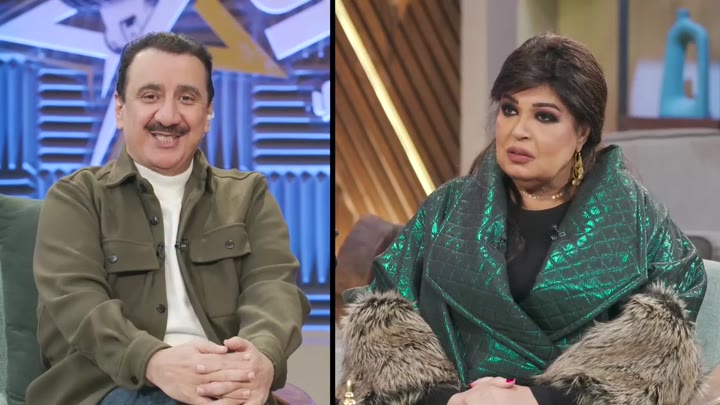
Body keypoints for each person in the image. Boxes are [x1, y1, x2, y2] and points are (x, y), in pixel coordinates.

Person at [336, 33, 707, 405]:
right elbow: (381, 322)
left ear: (582, 132)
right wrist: (450, 400)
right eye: (510, 110)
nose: (518, 131)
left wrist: (538, 399)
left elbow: (659, 353)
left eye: (544, 117)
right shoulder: (447, 207)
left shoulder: (637, 217)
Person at [26, 32, 310, 405]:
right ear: (119, 109)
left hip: (226, 385)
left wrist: (259, 358)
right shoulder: (76, 197)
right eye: (150, 96)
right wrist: (154, 361)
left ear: (208, 114)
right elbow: (78, 302)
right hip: (109, 387)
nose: (168, 116)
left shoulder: (249, 196)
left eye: (187, 98)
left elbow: (273, 289)